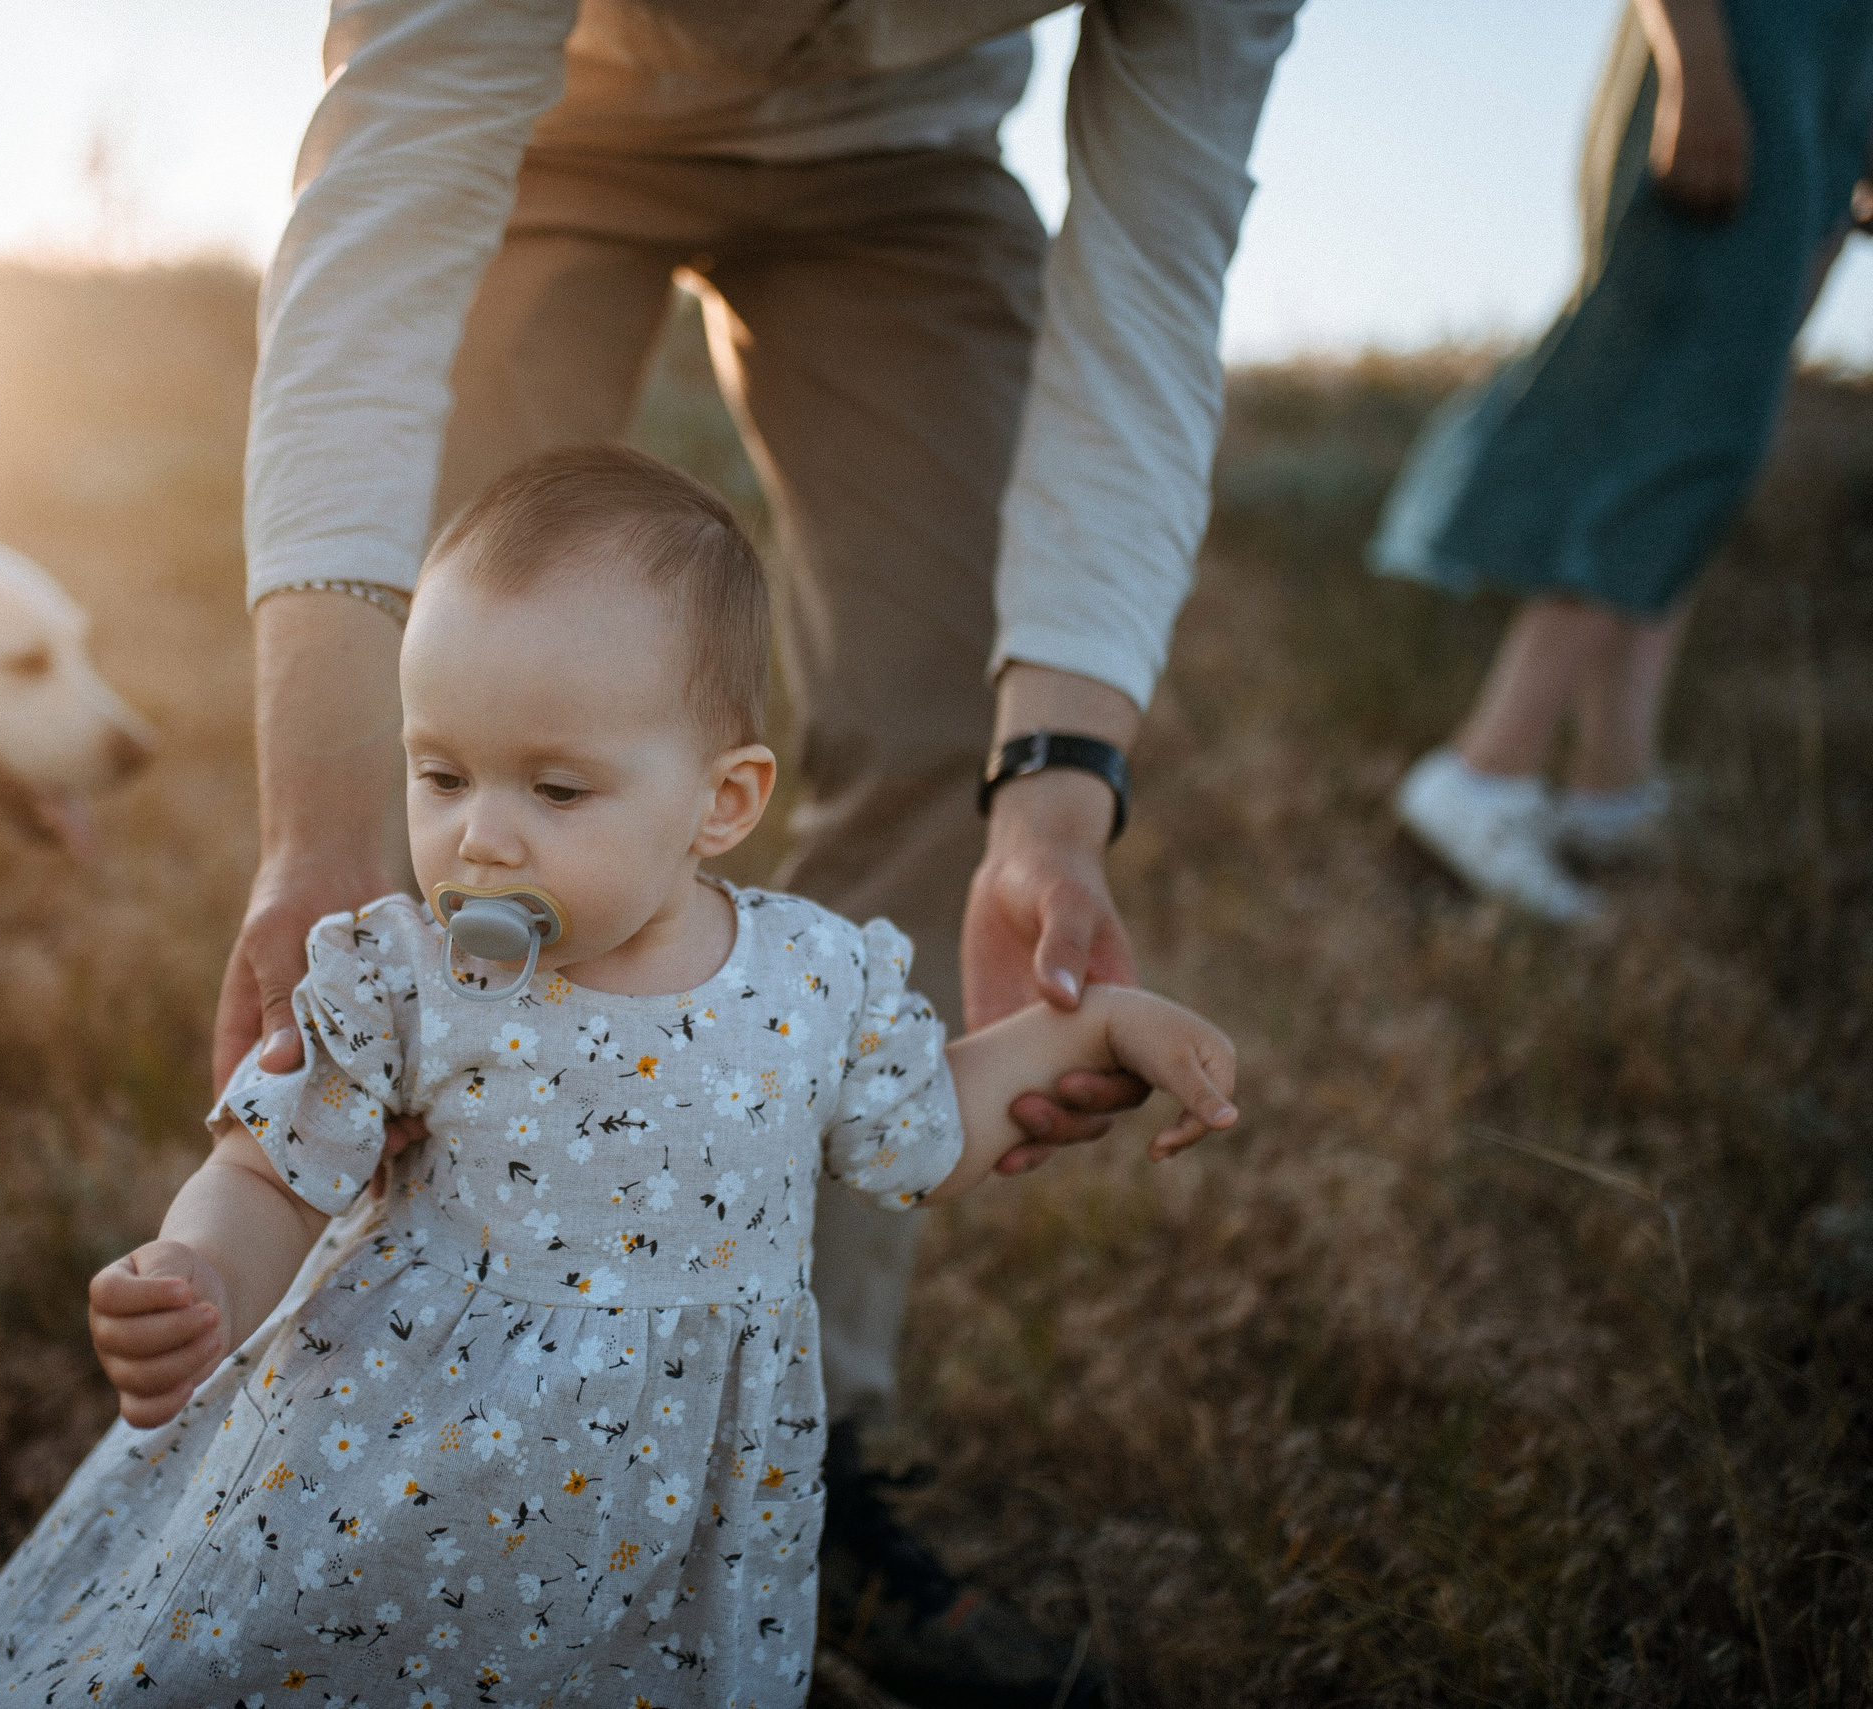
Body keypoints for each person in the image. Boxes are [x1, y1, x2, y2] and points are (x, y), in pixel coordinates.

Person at [223, 3, 1299, 1691]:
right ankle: (392, 1403)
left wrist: (1049, 798)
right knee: (493, 679)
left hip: (905, 163)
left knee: (949, 714)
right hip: (554, 114)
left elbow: (1154, 269)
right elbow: (388, 197)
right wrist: (316, 820)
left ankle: (772, 1443)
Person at [0, 447, 1238, 1708]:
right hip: (381, 1467)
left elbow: (930, 1126)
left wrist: (1095, 1028)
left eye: (555, 788)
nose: (480, 833)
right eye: (439, 772)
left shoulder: (811, 979)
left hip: (657, 1508)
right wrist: (203, 1272)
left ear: (722, 803)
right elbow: (271, 1166)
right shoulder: (408, 972)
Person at [1374, 0, 1873, 921]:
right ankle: (1486, 774)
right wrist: (1698, 67)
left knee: (1707, 434)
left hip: (1823, 92)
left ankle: (1612, 784)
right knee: (1665, 429)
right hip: (1736, 61)